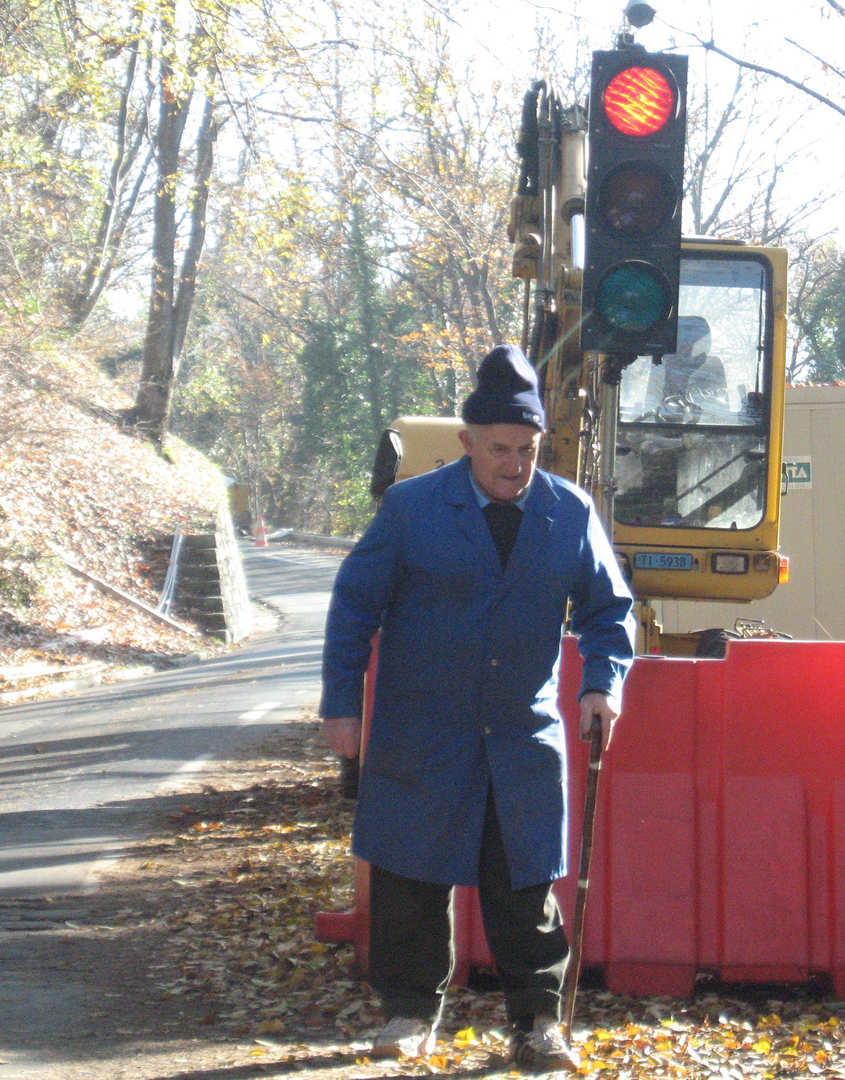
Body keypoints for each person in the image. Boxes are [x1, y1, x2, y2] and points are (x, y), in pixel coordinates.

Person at [321, 343, 636, 1073]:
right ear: (467, 443)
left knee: (525, 886)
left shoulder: (569, 512)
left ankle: (536, 1024)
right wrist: (342, 703)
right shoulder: (412, 509)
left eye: (528, 449)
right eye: (500, 448)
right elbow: (355, 606)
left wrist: (602, 681)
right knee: (408, 879)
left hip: (521, 736)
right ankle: (407, 1013)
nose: (515, 464)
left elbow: (607, 609)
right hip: (419, 729)